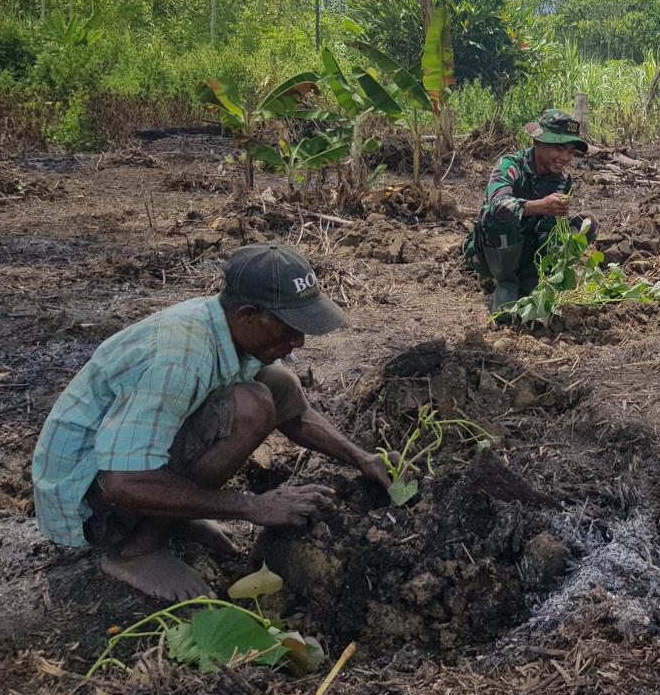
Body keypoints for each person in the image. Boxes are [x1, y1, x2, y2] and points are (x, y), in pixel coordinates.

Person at [31, 243, 392, 601]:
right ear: (248, 314)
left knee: (278, 384)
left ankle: (173, 518)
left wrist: (361, 458)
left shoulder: (225, 326)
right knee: (249, 407)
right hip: (91, 507)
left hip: (119, 473)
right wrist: (253, 506)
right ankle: (137, 550)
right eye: (289, 327)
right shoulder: (179, 360)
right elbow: (122, 484)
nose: (299, 340)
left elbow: (293, 411)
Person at [463, 108, 597, 316]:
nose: (566, 157)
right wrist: (538, 205)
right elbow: (497, 204)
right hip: (492, 251)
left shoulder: (563, 180)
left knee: (584, 224)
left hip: (529, 250)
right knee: (499, 218)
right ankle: (507, 284)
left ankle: (534, 281)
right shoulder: (511, 165)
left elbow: (550, 227)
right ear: (537, 143)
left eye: (571, 151)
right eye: (559, 148)